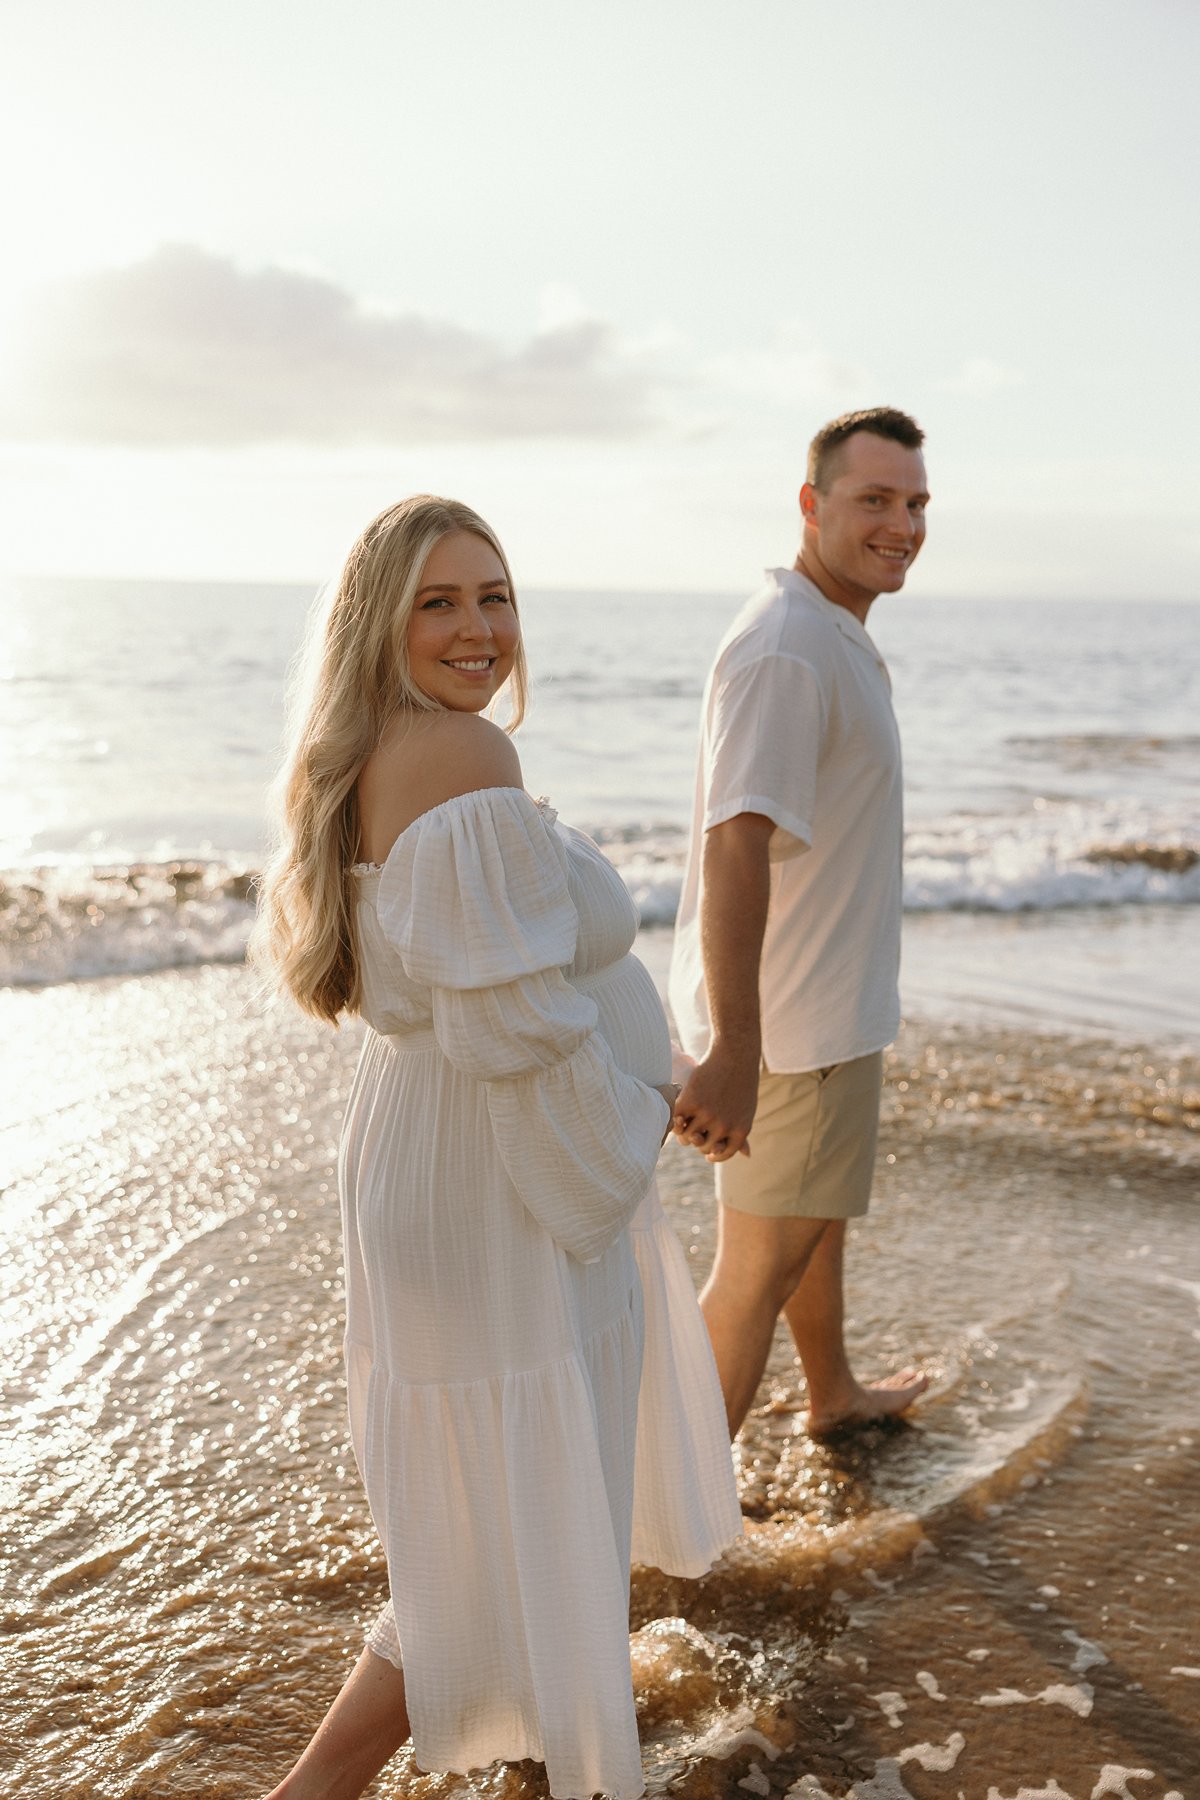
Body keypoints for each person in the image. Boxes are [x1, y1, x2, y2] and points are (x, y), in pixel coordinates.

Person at [253, 495, 741, 1800]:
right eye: (439, 601)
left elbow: (490, 992)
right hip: (503, 1178)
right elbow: (520, 1025)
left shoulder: (379, 750)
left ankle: (520, 1754)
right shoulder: (462, 759)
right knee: (490, 1540)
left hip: (444, 1156)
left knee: (486, 1519)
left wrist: (665, 1067)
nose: (479, 629)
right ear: (381, 623)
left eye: (496, 595)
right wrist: (646, 1110)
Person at [668, 407, 932, 1441]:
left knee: (814, 1227)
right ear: (812, 505)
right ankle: (662, 1535)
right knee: (753, 1275)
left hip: (823, 1014)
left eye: (914, 503)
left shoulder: (830, 631)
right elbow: (735, 844)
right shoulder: (789, 649)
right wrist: (736, 1047)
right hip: (789, 1032)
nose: (901, 525)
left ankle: (833, 1394)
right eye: (874, 500)